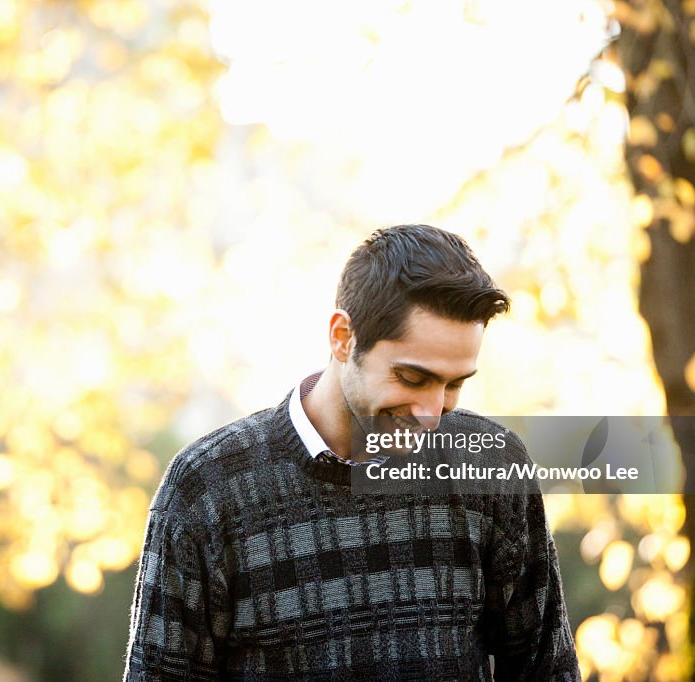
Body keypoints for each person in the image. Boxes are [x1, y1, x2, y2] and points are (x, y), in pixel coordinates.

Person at [124, 225, 580, 680]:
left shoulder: (491, 466)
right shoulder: (206, 488)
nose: (431, 414)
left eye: (454, 384)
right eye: (413, 378)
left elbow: (547, 668)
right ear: (343, 338)